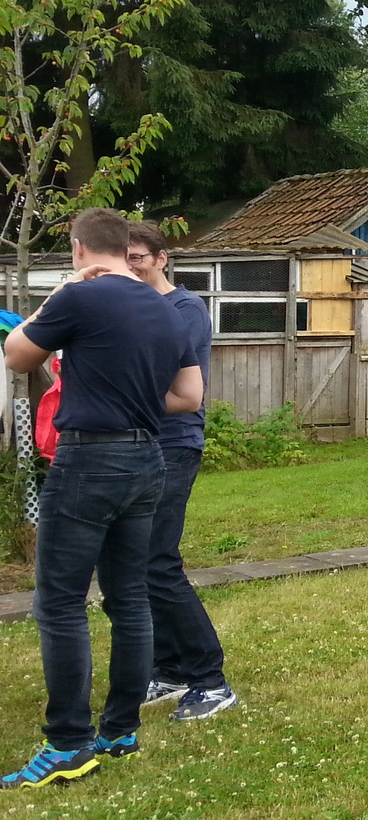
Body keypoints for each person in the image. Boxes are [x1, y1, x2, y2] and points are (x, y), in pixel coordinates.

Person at [1, 208, 203, 789]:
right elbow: (188, 394)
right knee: (130, 598)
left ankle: (67, 744)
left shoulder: (78, 296)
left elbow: (16, 354)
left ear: (79, 247)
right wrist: (129, 400)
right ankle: (120, 731)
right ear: (125, 247)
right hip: (148, 459)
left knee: (60, 603)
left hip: (89, 459)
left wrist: (55, 296)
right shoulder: (166, 308)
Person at [125, 222, 239, 723]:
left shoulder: (184, 308)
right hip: (136, 442)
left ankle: (211, 681)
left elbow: (163, 370)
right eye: (124, 258)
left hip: (173, 443)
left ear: (161, 258)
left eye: (138, 257)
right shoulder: (131, 307)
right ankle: (169, 668)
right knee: (139, 561)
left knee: (158, 560)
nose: (131, 266)